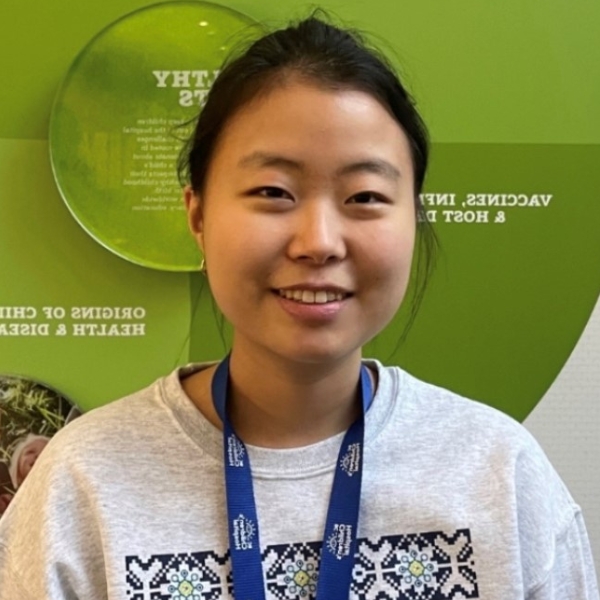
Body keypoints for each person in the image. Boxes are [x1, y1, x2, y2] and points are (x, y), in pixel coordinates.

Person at [0, 14, 598, 600]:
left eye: (365, 196)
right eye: (273, 192)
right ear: (198, 216)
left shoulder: (498, 471)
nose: (319, 241)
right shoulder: (82, 483)